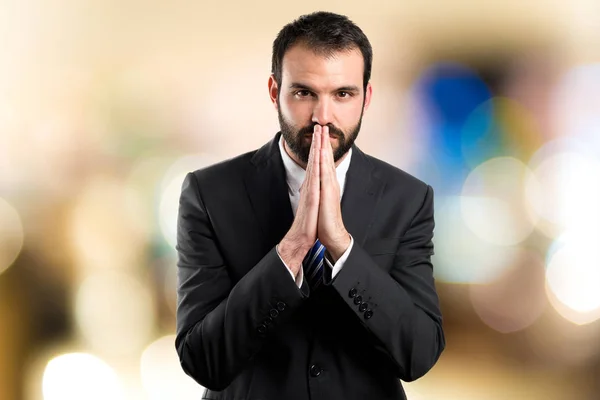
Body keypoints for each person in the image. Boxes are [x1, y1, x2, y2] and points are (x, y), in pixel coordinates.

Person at [175, 11, 444, 400]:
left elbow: (419, 354)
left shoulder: (408, 199)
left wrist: (342, 249)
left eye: (343, 94)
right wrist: (292, 249)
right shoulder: (209, 193)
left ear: (366, 98)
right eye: (304, 93)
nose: (323, 116)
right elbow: (202, 359)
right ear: (274, 91)